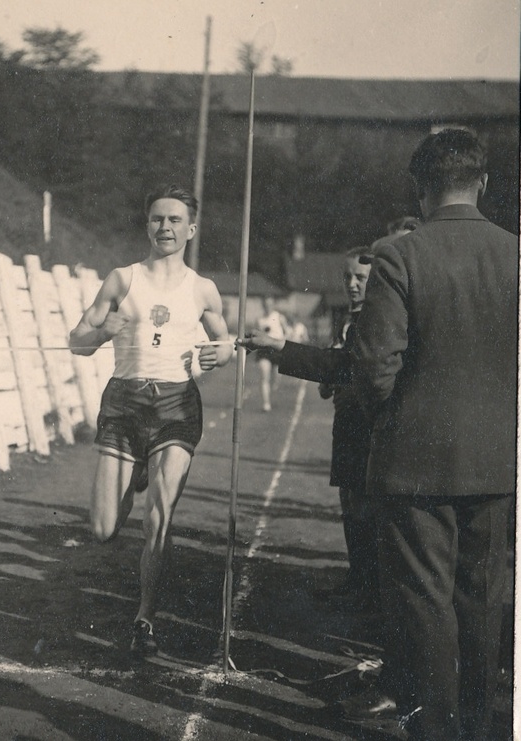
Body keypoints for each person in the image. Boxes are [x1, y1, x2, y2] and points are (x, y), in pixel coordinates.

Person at [350, 128, 516, 740]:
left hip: (415, 460)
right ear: (484, 184)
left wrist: (393, 417)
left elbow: (373, 367)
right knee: (481, 601)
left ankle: (435, 731)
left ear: (420, 188)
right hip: (497, 460)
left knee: (424, 604)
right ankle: (478, 728)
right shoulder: (514, 252)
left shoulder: (398, 254)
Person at [69, 185, 233, 656]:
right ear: (147, 225)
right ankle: (136, 468)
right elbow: (76, 341)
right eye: (158, 219)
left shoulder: (203, 288)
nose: (166, 227)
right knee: (102, 529)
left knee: (159, 515)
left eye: (175, 220)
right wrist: (102, 331)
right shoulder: (122, 279)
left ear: (191, 229)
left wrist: (215, 355)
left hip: (176, 407)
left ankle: (145, 617)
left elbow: (224, 345)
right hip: (124, 403)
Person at [242, 245, 380, 613]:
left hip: (369, 425)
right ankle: (358, 579)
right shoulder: (350, 317)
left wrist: (279, 347)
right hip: (346, 420)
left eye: (360, 278)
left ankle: (371, 590)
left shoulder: (378, 319)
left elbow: (345, 366)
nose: (352, 284)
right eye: (347, 277)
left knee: (367, 510)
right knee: (350, 506)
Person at [254, 296, 288, 411]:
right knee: (264, 375)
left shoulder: (279, 317)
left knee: (276, 378)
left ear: (273, 305)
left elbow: (287, 331)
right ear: (263, 305)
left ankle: (273, 390)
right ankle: (266, 403)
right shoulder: (259, 319)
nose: (267, 307)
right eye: (265, 304)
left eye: (270, 304)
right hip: (264, 350)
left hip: (277, 349)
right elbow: (256, 334)